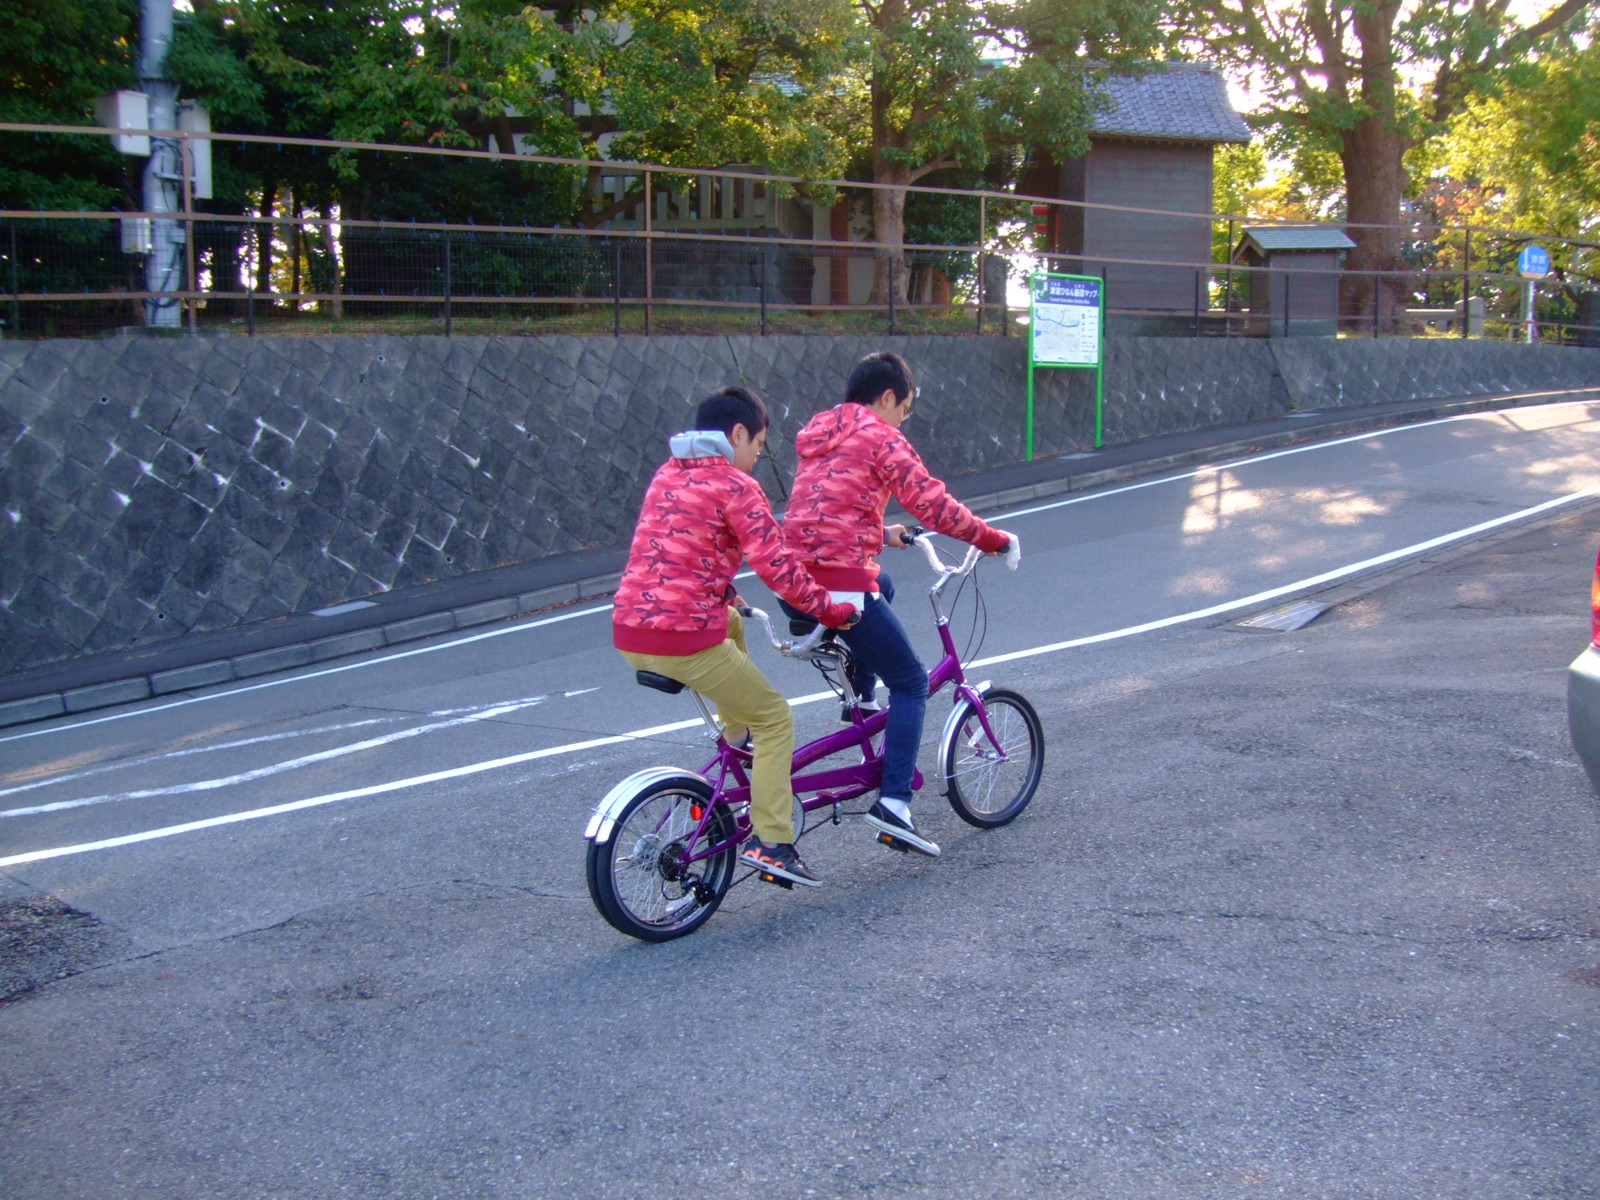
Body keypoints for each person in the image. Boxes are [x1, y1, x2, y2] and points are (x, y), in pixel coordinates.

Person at [613, 385, 858, 889]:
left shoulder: (667, 474)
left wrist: (725, 592)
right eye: (759, 444)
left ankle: (735, 735)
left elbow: (676, 549)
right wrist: (830, 611)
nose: (757, 456)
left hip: (629, 629)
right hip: (681, 638)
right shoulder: (736, 486)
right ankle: (771, 842)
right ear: (738, 433)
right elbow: (779, 566)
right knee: (776, 718)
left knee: (730, 622)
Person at [781, 352, 1018, 858]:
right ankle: (894, 805)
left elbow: (827, 507)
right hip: (839, 586)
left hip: (796, 586)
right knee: (911, 681)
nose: (903, 420)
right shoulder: (879, 435)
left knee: (882, 583)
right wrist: (992, 539)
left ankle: (861, 700)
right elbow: (932, 504)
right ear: (887, 398)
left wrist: (879, 533)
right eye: (904, 410)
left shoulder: (821, 433)